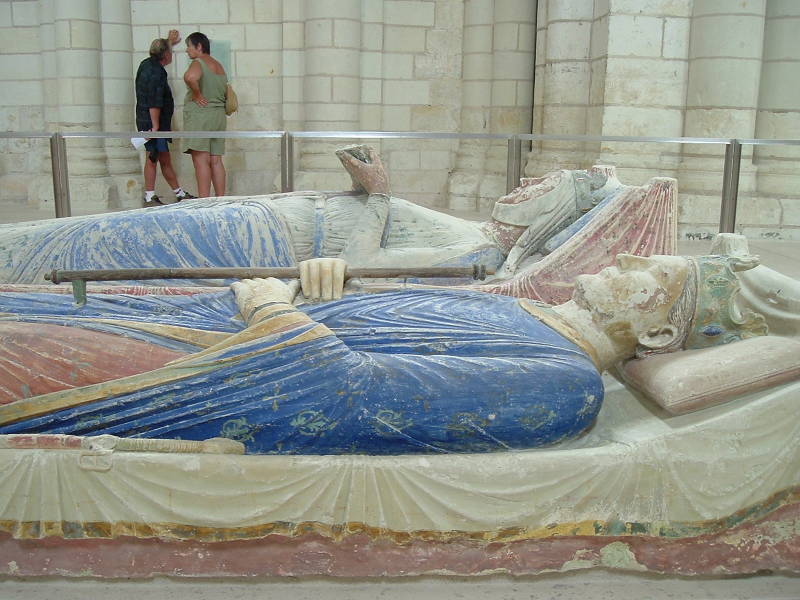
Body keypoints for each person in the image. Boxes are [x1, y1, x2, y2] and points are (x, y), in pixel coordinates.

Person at [0, 250, 770, 455]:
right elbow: (376, 321)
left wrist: (271, 304)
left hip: (196, 373)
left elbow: (339, 396)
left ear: (662, 336)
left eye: (645, 277)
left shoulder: (566, 385)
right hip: (217, 320)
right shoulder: (533, 312)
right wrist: (316, 285)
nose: (620, 264)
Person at [0, 147, 677, 304]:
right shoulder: (471, 233)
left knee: (70, 248)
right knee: (82, 232)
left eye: (544, 189)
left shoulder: (476, 255)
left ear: (553, 219)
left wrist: (375, 196)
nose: (530, 183)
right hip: (265, 217)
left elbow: (359, 270)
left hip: (263, 241)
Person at [135, 29, 195, 205]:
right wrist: (155, 127)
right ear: (165, 55)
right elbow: (154, 101)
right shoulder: (157, 72)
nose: (172, 55)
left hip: (148, 120)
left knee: (162, 157)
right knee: (154, 156)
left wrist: (169, 41)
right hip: (154, 123)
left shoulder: (146, 64)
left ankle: (178, 192)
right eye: (170, 51)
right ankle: (150, 195)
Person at [183, 31, 228, 198]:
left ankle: (204, 202)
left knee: (201, 160)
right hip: (218, 117)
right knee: (216, 160)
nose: (187, 50)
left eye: (188, 46)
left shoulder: (198, 62)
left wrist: (197, 94)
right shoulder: (219, 65)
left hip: (201, 117)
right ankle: (220, 200)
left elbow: (190, 77)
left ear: (199, 46)